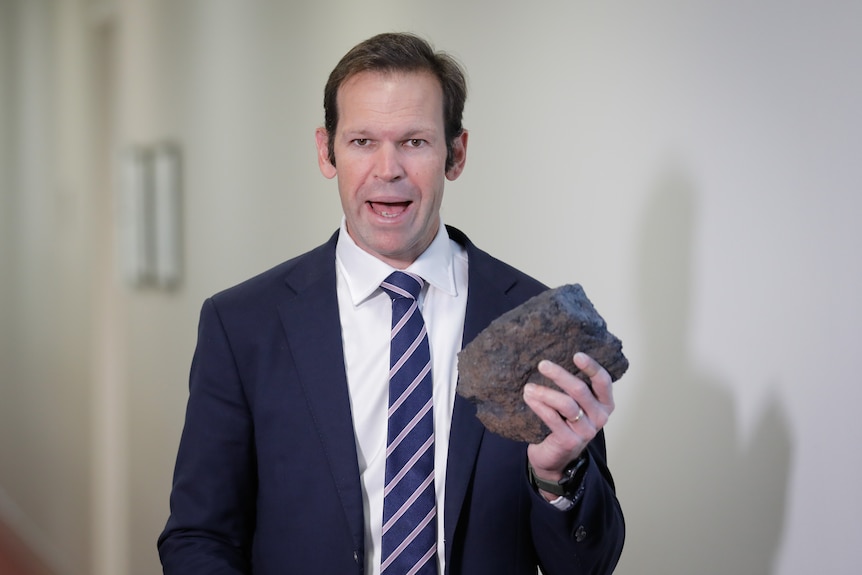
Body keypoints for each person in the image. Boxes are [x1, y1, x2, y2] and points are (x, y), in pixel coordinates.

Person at [158, 32, 624, 574]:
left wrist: (555, 476)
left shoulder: (539, 323)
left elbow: (589, 564)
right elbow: (198, 537)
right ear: (325, 150)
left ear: (456, 153)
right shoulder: (242, 326)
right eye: (362, 142)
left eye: (414, 142)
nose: (388, 169)